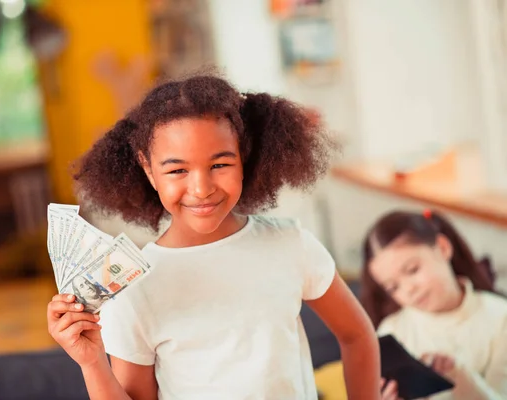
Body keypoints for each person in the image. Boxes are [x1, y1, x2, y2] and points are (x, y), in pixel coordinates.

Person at [47, 74, 380, 399]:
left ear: (243, 158)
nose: (201, 189)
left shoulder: (291, 245)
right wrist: (92, 364)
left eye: (220, 164)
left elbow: (357, 334)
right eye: (177, 170)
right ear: (148, 169)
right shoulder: (133, 287)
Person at [360, 209, 507, 400]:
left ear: (443, 248)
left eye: (412, 270)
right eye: (393, 287)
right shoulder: (392, 331)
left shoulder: (500, 318)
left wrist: (457, 374)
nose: (408, 289)